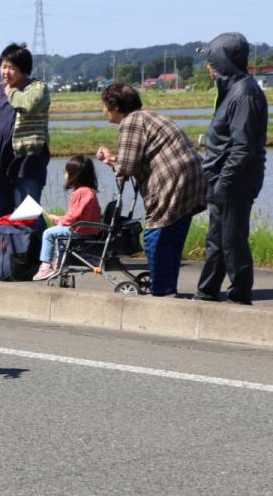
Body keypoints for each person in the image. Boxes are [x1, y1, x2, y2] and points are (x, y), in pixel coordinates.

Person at [95, 82, 205, 296]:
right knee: (173, 236)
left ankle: (162, 291)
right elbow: (139, 157)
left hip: (170, 181)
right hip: (192, 179)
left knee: (156, 235)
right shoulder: (147, 116)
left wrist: (110, 160)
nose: (103, 110)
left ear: (114, 106)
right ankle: (167, 288)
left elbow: (127, 167)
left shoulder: (131, 122)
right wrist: (114, 159)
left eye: (104, 106)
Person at [194, 32, 267, 305]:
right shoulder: (231, 90)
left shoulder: (245, 93)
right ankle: (207, 292)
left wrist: (224, 182)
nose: (208, 66)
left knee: (232, 240)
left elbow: (243, 147)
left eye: (211, 59)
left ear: (224, 60)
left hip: (234, 180)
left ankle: (239, 297)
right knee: (216, 240)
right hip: (221, 178)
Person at [0, 42, 51, 276]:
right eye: (3, 67)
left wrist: (11, 91)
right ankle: (0, 258)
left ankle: (42, 259)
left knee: (27, 211)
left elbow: (29, 105)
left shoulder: (36, 88)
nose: (6, 72)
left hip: (26, 161)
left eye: (11, 67)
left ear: (24, 69)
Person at [33, 156, 102, 282]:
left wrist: (60, 221)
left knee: (48, 233)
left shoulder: (80, 192)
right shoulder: (89, 191)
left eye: (67, 171)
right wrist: (60, 219)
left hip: (81, 231)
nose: (65, 174)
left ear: (74, 175)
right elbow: (78, 215)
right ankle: (60, 264)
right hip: (88, 229)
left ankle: (45, 266)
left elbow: (73, 216)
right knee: (58, 231)